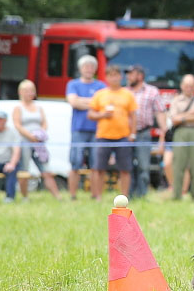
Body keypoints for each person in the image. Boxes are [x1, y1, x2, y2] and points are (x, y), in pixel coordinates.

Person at [88, 65, 137, 198]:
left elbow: (133, 116)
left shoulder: (128, 94)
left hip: (123, 136)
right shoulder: (100, 94)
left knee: (125, 169)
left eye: (116, 75)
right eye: (111, 75)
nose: (114, 78)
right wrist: (102, 115)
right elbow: (91, 114)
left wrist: (132, 134)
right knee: (99, 168)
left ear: (120, 77)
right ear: (107, 77)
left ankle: (124, 196)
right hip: (103, 136)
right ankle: (98, 197)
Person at [11, 79, 61, 199]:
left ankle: (58, 197)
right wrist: (30, 136)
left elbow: (44, 123)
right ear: (21, 92)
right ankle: (25, 197)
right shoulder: (18, 108)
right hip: (24, 143)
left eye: (31, 90)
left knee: (46, 170)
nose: (29, 93)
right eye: (27, 90)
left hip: (39, 143)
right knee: (24, 171)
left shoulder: (39, 107)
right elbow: (17, 125)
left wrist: (40, 134)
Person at [66, 54, 106, 199]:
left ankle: (96, 195)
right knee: (75, 162)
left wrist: (82, 101)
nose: (89, 69)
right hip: (78, 129)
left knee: (96, 164)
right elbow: (73, 102)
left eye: (91, 67)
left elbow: (102, 104)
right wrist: (93, 102)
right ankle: (73, 195)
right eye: (86, 67)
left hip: (97, 130)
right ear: (80, 69)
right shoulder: (73, 84)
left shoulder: (101, 86)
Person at [126, 64, 167, 198]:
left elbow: (160, 112)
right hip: (125, 134)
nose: (128, 77)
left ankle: (142, 196)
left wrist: (162, 135)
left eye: (131, 74)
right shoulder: (124, 92)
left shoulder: (152, 91)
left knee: (144, 166)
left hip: (143, 133)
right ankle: (129, 195)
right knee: (127, 166)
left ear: (140, 76)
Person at [168, 74, 194, 200]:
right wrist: (191, 113)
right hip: (180, 133)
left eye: (191, 86)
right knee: (178, 165)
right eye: (186, 85)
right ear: (182, 86)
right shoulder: (175, 100)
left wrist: (182, 117)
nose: (189, 88)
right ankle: (176, 196)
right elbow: (174, 120)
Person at [0, 109, 21, 203]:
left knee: (12, 170)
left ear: (5, 121)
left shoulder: (13, 133)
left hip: (7, 161)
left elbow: (16, 151)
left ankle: (10, 197)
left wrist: (12, 163)